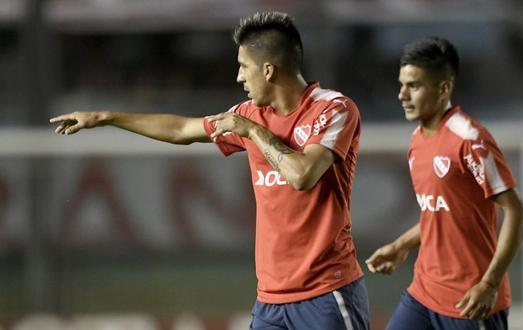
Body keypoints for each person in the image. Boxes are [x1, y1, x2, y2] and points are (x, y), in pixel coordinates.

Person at [50, 11, 369, 330]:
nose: (239, 77)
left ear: (268, 70)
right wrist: (106, 117)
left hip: (327, 293)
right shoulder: (250, 113)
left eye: (244, 67)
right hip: (271, 300)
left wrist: (253, 132)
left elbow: (302, 175)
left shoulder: (333, 109)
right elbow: (181, 129)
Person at [365, 37, 523, 330]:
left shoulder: (470, 139)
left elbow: (517, 213)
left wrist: (489, 283)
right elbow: (440, 213)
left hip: (469, 300)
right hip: (423, 293)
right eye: (401, 85)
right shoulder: (417, 140)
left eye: (413, 86)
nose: (402, 95)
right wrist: (401, 245)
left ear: (443, 88)